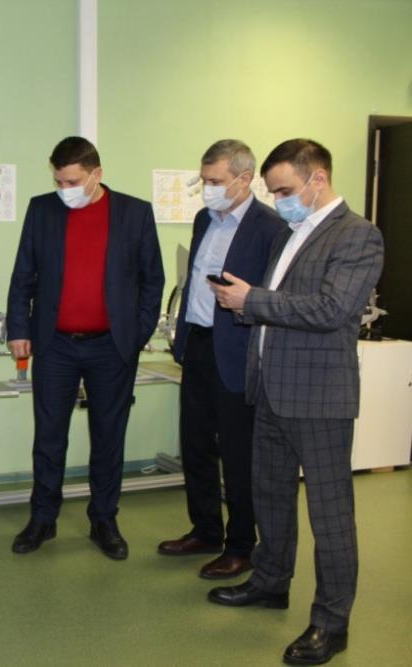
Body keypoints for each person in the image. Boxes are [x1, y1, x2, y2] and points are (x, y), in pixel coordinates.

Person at [208, 139, 383, 666]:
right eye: (273, 191)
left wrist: (253, 299)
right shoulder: (290, 233)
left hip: (319, 398)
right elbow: (282, 305)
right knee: (271, 498)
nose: (277, 200)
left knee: (330, 517)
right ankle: (270, 581)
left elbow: (332, 309)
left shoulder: (358, 235)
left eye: (284, 190)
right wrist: (244, 301)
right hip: (270, 390)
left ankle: (331, 622)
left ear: (317, 179)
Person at [6, 136, 164, 559]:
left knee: (109, 435)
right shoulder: (42, 210)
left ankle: (104, 520)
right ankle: (43, 519)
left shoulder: (134, 213)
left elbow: (153, 280)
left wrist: (135, 334)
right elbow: (23, 274)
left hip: (112, 347)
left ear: (97, 174)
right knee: (49, 435)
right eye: (59, 182)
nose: (65, 190)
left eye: (73, 181)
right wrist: (18, 327)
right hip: (54, 344)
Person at [158, 140, 284, 579]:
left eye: (215, 181)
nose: (207, 188)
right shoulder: (203, 219)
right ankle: (205, 530)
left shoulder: (270, 227)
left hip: (238, 352)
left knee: (237, 453)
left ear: (244, 179)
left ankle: (241, 546)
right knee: (195, 444)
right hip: (197, 344)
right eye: (204, 179)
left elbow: (273, 296)